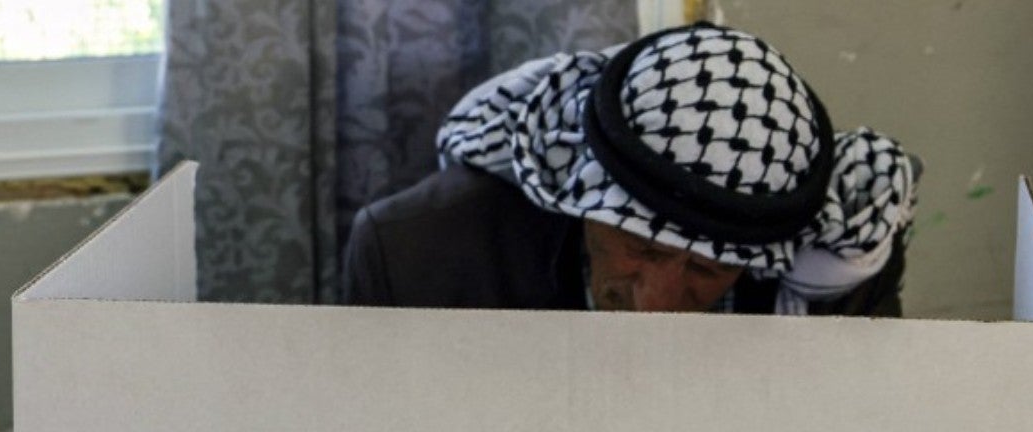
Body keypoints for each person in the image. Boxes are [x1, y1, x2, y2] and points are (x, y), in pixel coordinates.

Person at [341, 23, 920, 316]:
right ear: (587, 195)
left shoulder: (842, 270)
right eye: (644, 248)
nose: (658, 305)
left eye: (707, 268)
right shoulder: (414, 257)